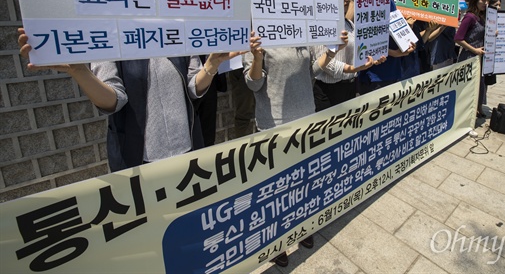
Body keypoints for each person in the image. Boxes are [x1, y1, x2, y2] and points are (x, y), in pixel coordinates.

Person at [18, 28, 242, 171]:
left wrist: (211, 66)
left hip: (187, 149)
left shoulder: (176, 31)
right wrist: (79, 71)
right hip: (139, 158)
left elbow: (194, 88)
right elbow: (114, 100)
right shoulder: (109, 35)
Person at [243, 30, 346, 267]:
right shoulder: (256, 36)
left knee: (303, 180)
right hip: (275, 123)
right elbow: (253, 84)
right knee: (276, 187)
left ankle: (301, 227)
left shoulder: (300, 30)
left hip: (305, 118)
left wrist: (331, 52)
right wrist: (257, 58)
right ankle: (276, 241)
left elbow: (312, 71)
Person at [311, 0, 386, 111]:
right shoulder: (321, 26)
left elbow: (358, 53)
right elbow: (325, 63)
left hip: (350, 88)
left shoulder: (349, 24)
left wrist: (372, 59)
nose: (347, 0)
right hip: (327, 93)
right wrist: (353, 68)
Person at [357, 0, 416, 94]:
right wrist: (394, 53)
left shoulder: (390, 2)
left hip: (392, 72)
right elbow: (364, 41)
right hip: (374, 76)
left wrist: (407, 39)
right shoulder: (366, 2)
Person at [454, 0, 490, 118]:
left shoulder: (482, 17)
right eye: (483, 0)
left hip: (480, 57)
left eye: (488, 1)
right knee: (467, 87)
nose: (485, 3)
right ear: (476, 0)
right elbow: (458, 38)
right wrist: (474, 50)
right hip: (469, 56)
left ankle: (473, 112)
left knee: (478, 86)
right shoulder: (469, 17)